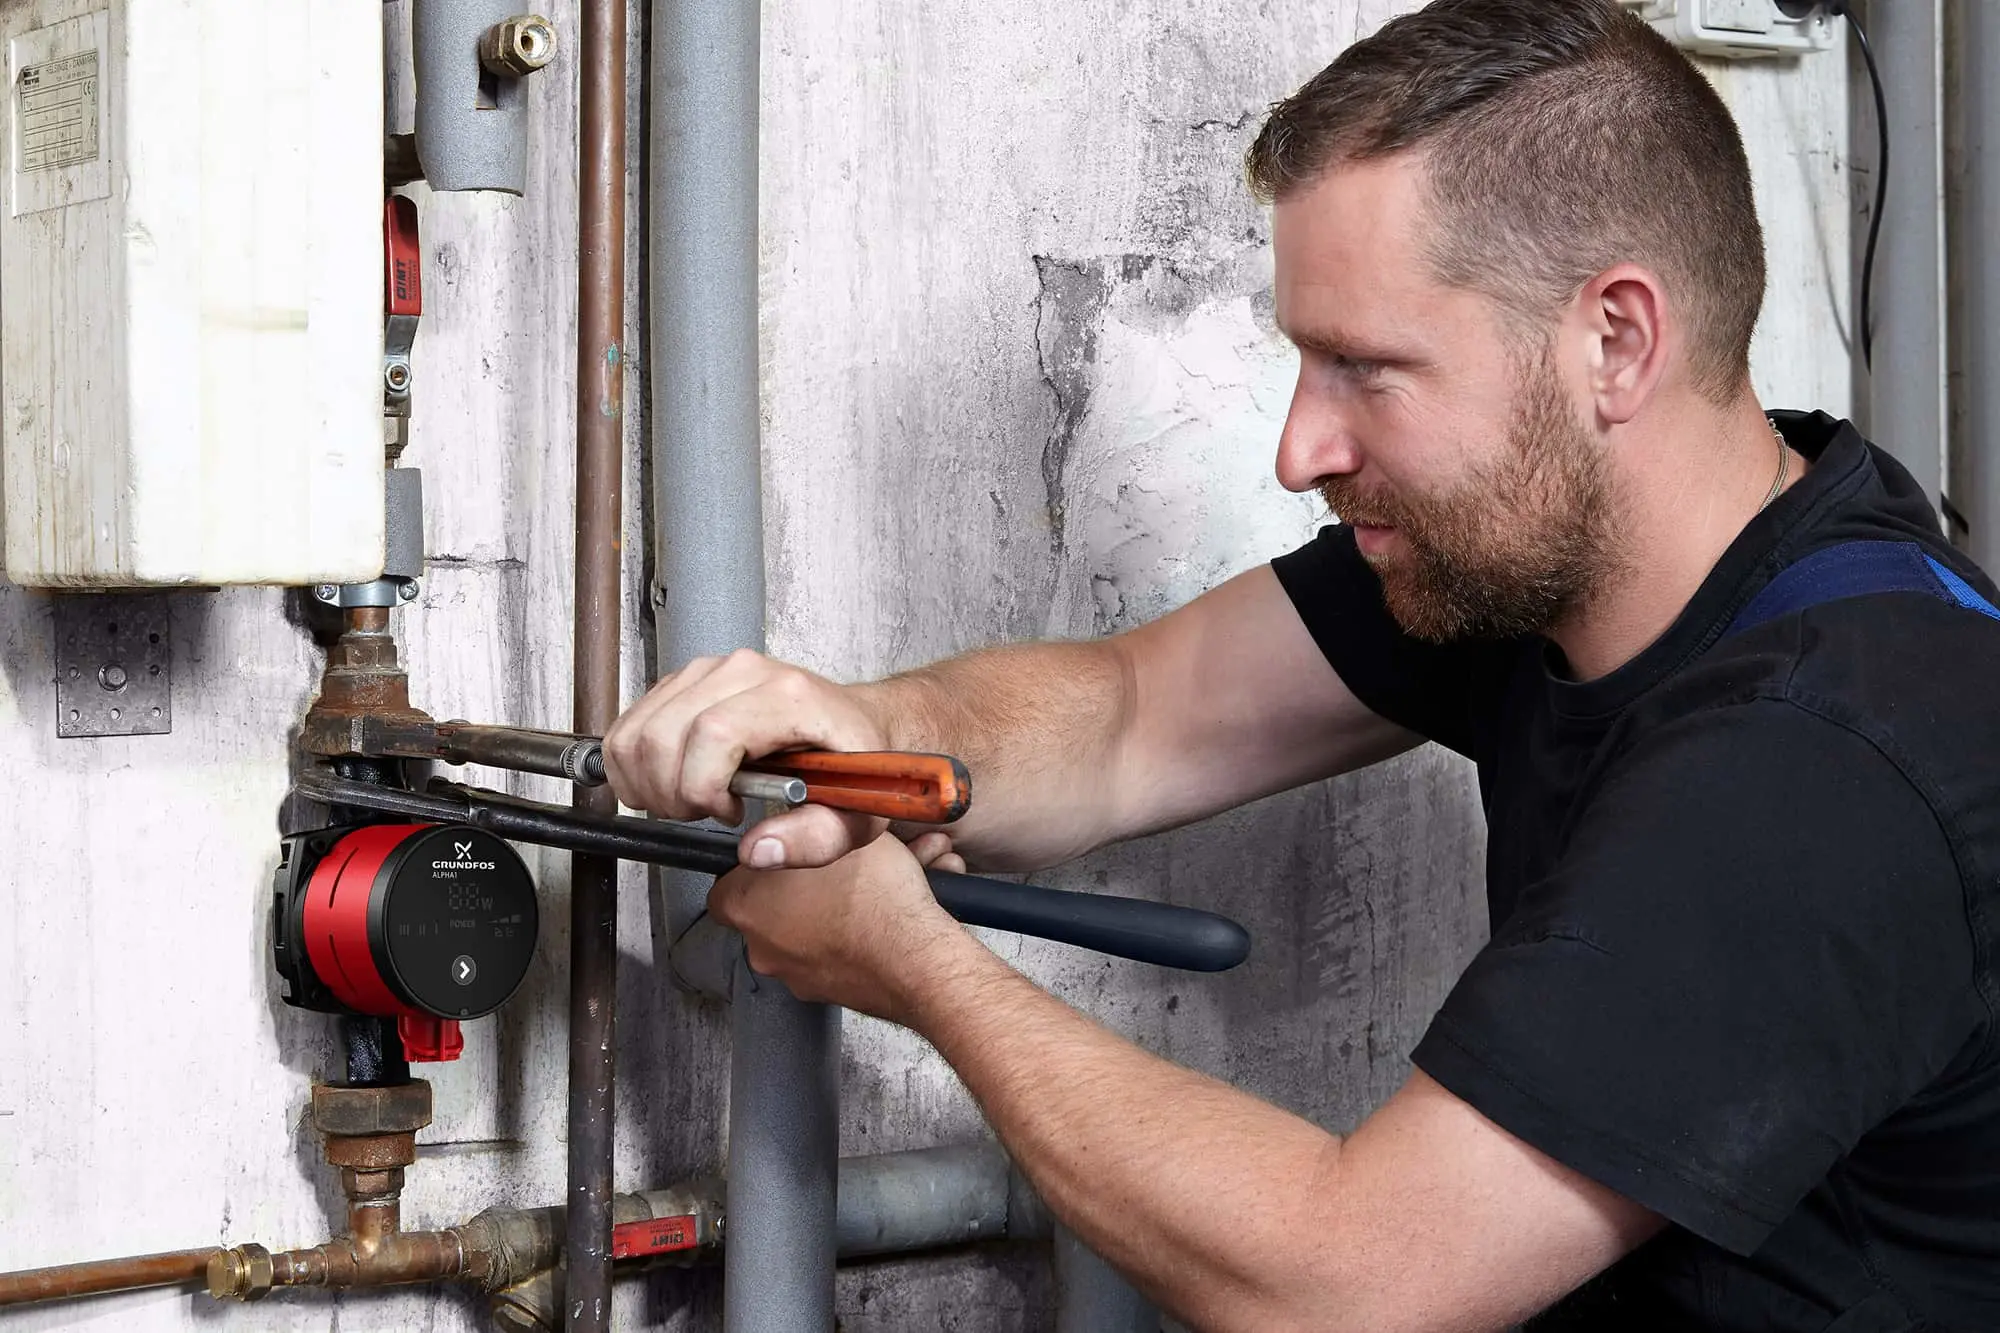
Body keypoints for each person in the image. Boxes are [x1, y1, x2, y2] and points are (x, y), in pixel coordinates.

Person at [604, 1, 2000, 1328]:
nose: (1299, 450)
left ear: (1615, 341)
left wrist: (913, 963)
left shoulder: (1821, 754)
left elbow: (1351, 1283)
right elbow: (1136, 715)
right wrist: (861, 731)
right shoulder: (1558, 552)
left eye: (1365, 368)